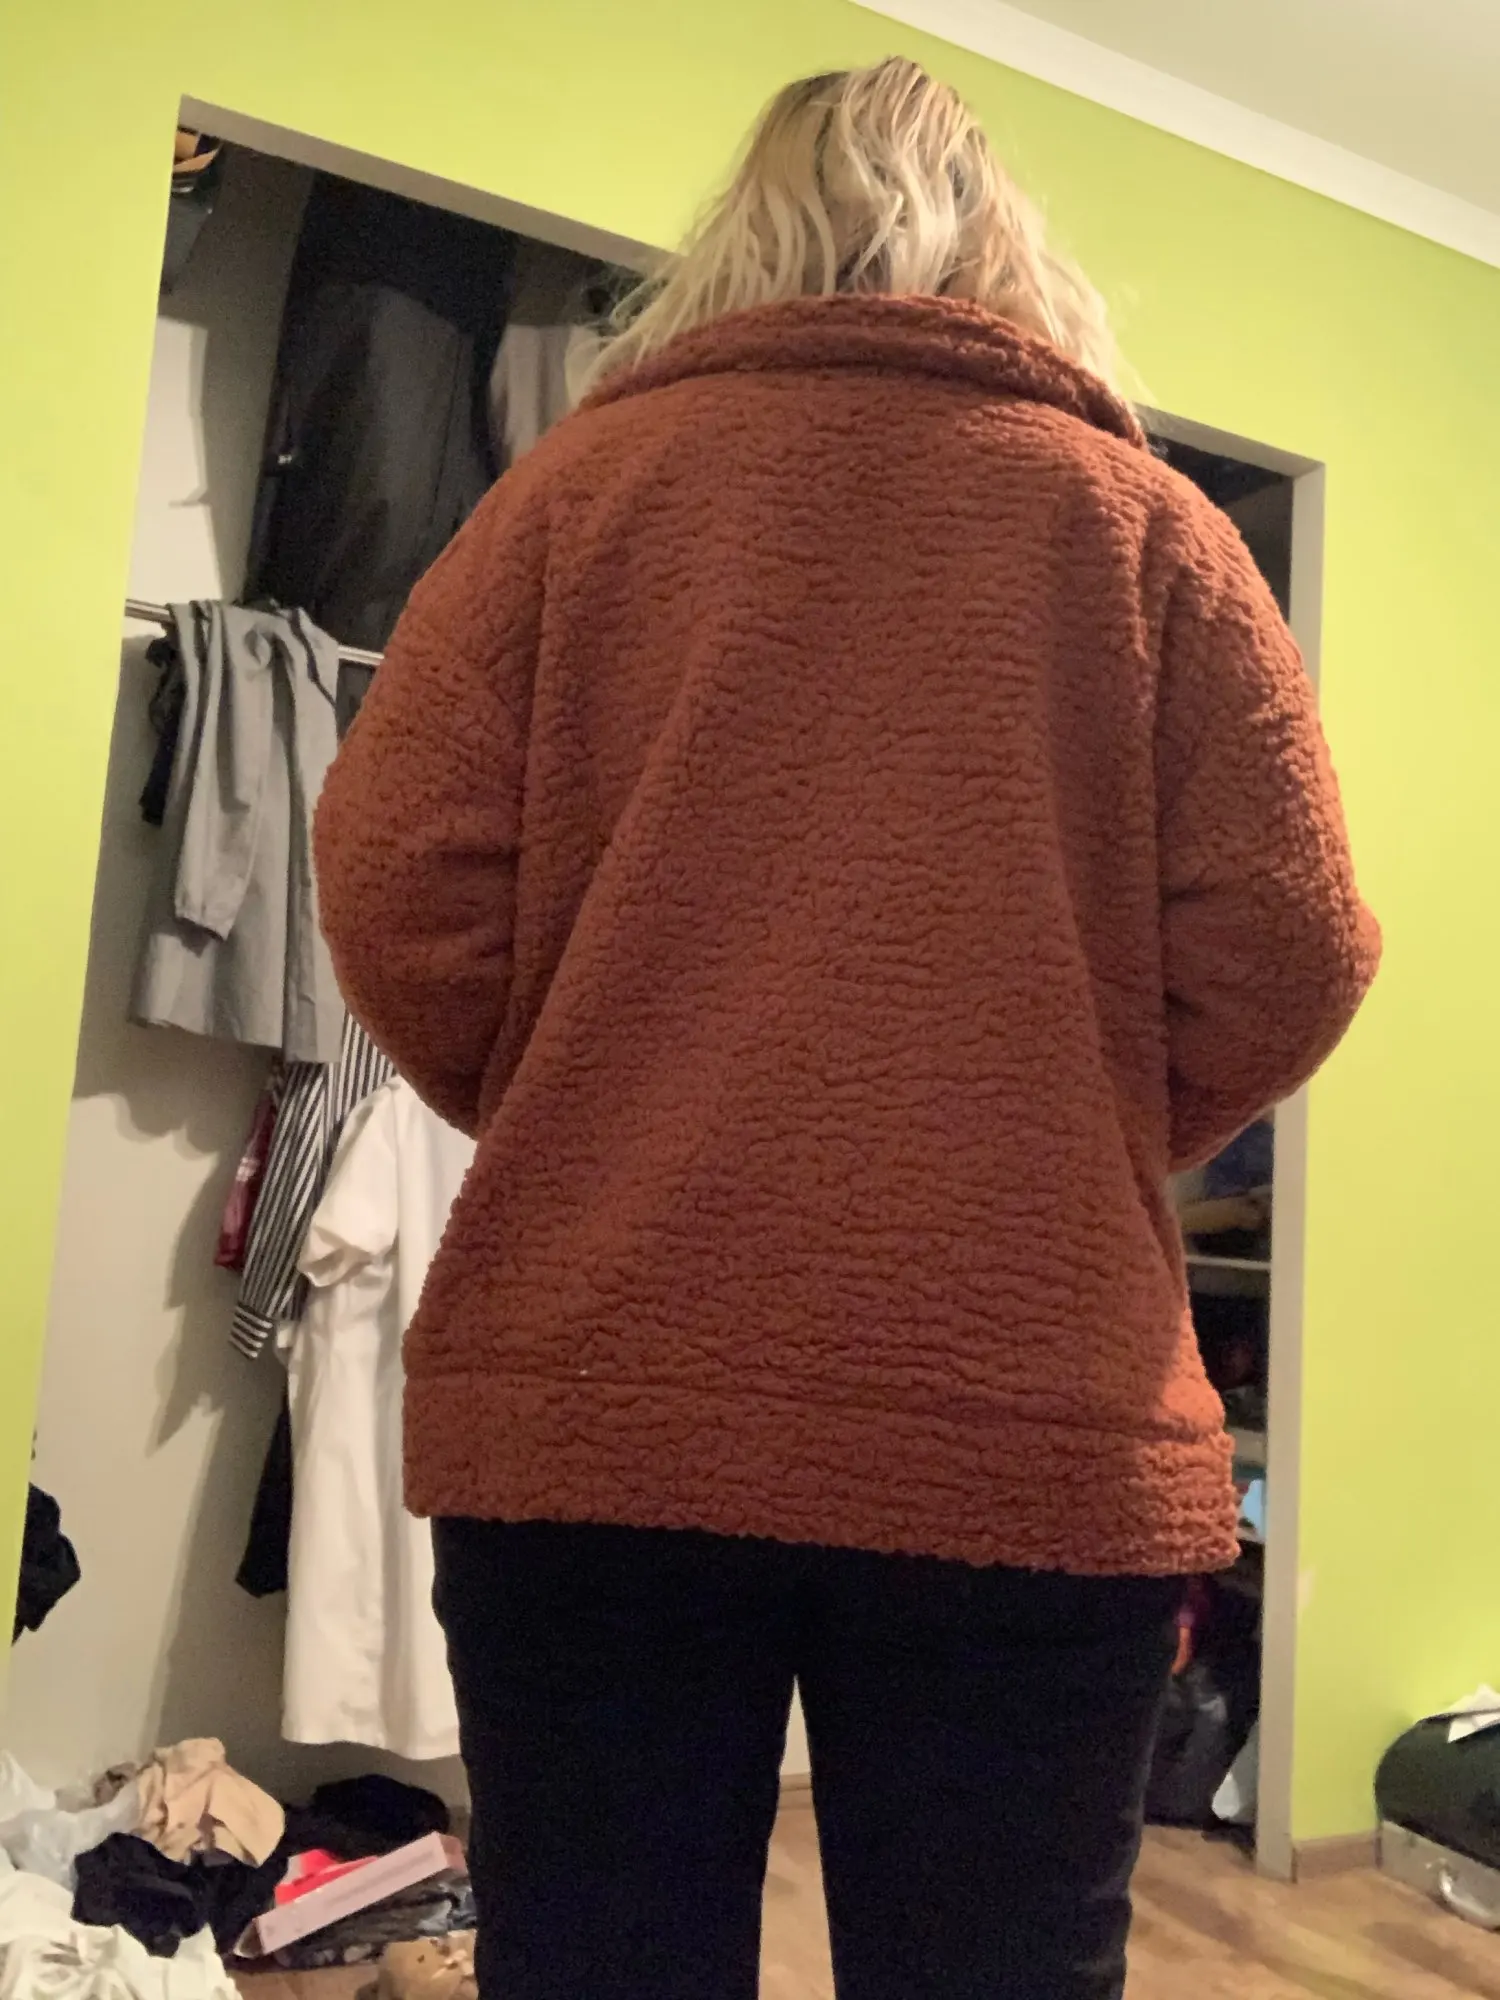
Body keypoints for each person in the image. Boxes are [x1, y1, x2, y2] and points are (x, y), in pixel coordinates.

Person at [315, 55, 1379, 2000]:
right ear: (1007, 250)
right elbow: (1293, 945)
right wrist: (1062, 1118)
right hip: (1033, 1422)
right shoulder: (1148, 530)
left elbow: (394, 880)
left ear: (735, 243)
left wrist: (590, 1090)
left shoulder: (566, 505)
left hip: (600, 1401)